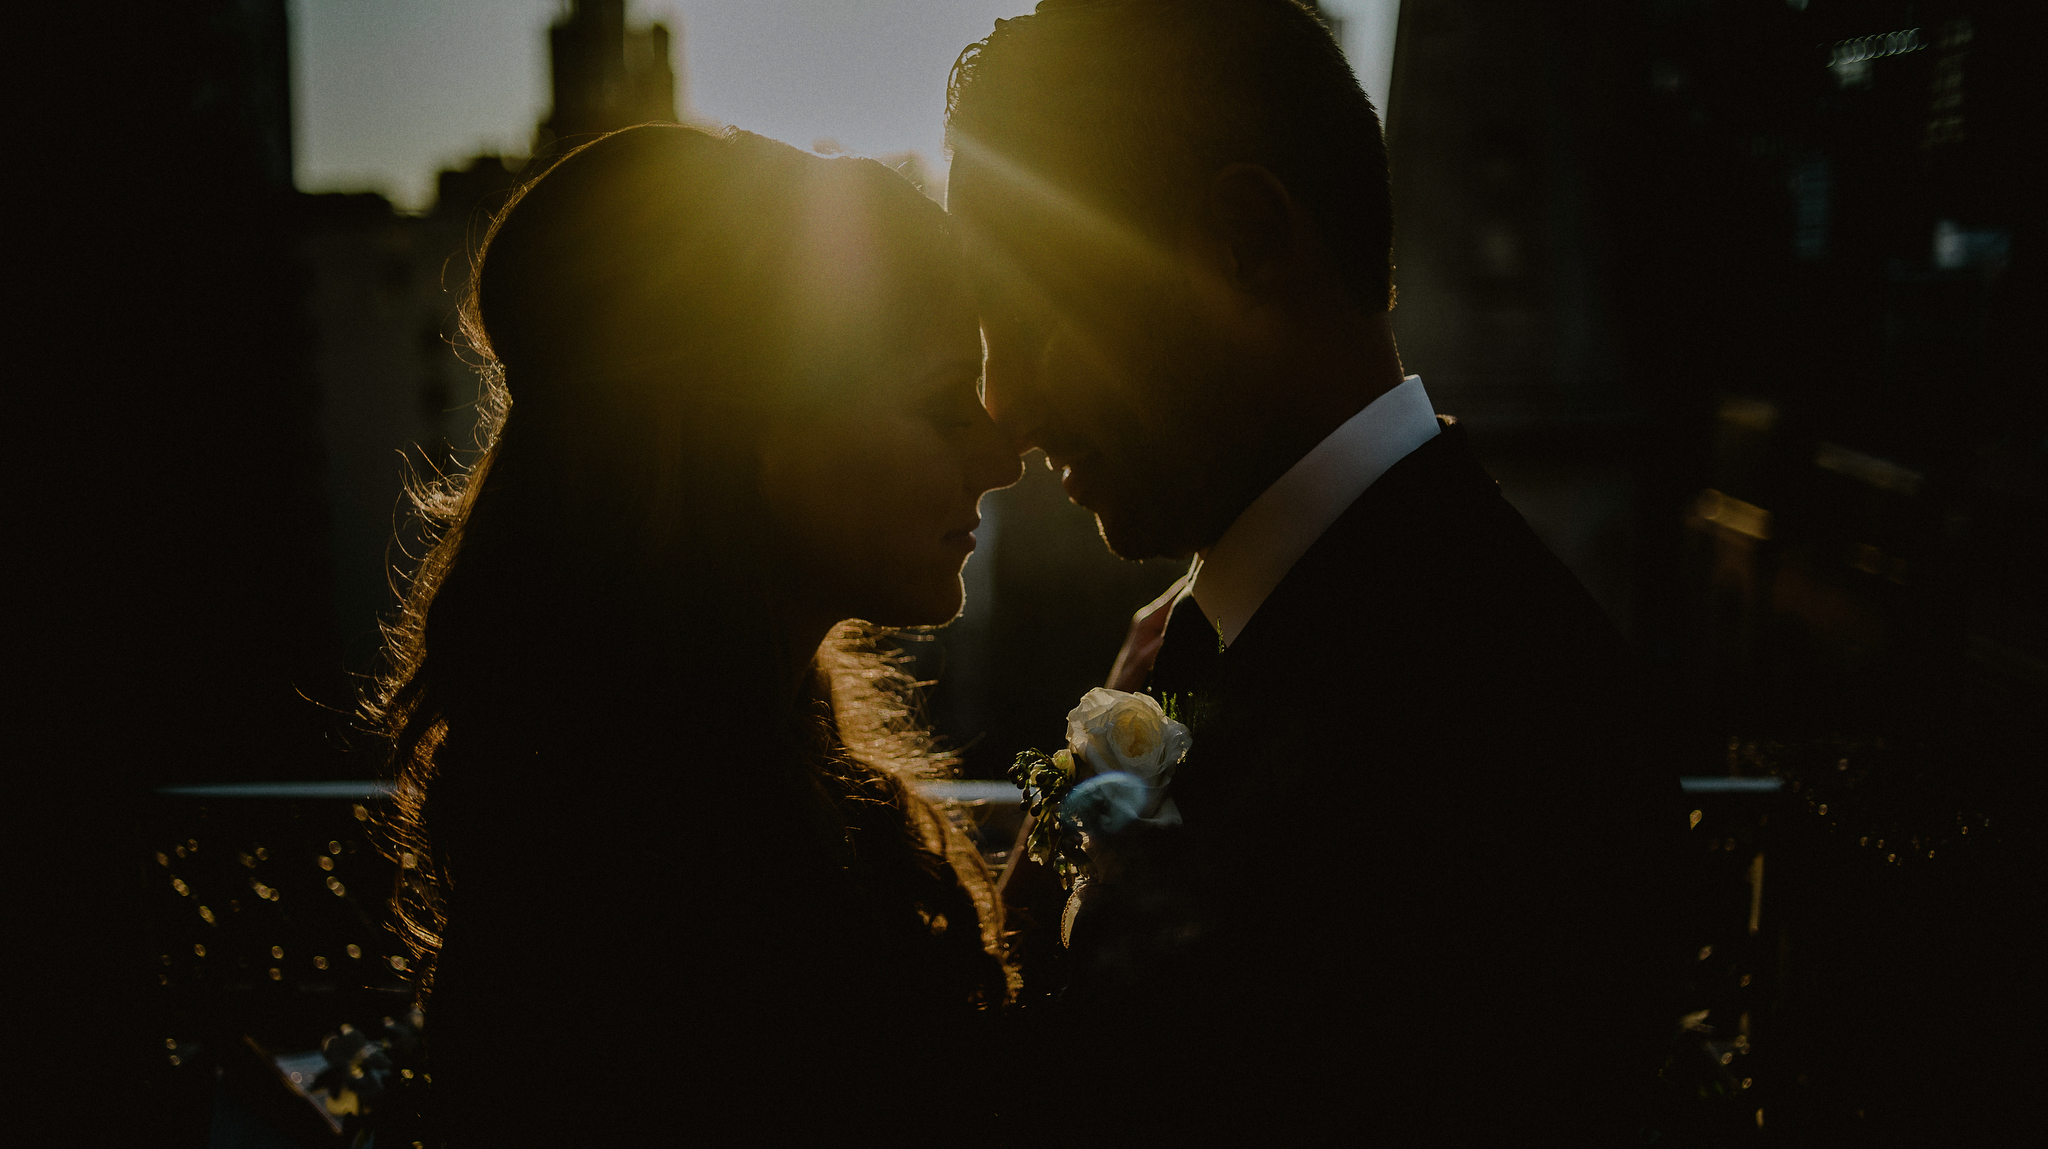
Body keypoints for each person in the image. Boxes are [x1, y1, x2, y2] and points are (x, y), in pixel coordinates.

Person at [946, 0, 1683, 1138]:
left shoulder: (1498, 724)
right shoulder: (1230, 630)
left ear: (1245, 242)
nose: (1003, 403)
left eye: (1029, 311)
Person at [366, 123, 1023, 1140]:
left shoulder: (659, 785)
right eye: (942, 406)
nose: (998, 458)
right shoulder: (643, 899)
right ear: (740, 434)